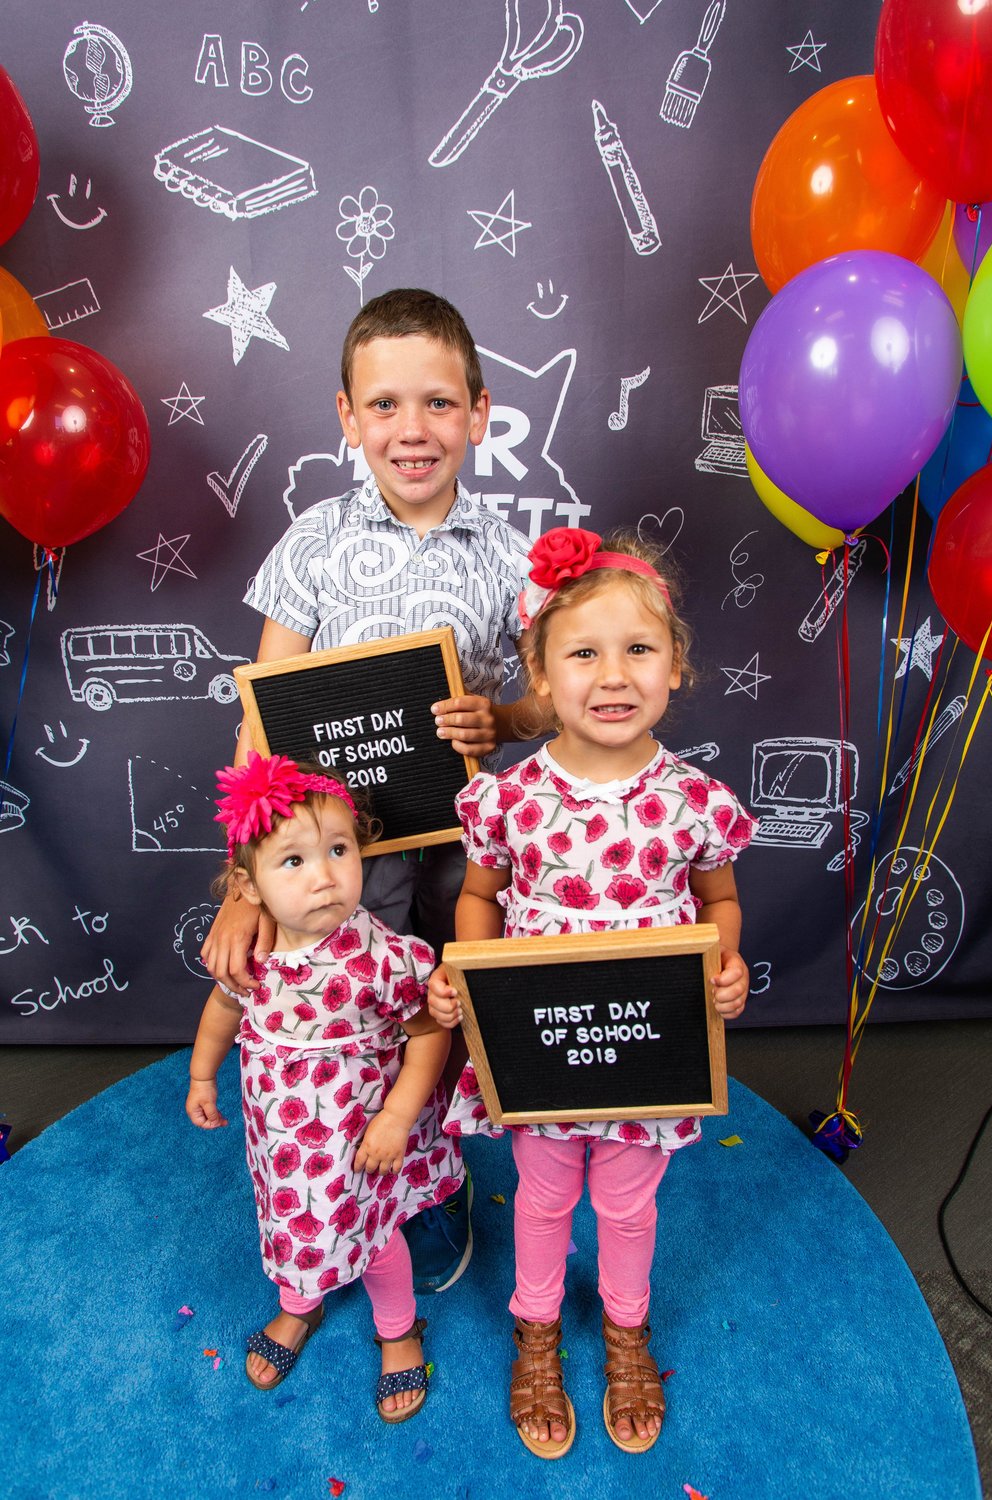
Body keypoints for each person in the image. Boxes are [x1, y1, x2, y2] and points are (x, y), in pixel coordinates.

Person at [200, 287, 534, 1291]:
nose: (411, 429)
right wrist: (244, 884)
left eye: (439, 403)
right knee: (354, 1011)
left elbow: (554, 696)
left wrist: (502, 721)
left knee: (441, 1000)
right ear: (348, 418)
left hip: (459, 843)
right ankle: (346, 1177)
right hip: (338, 857)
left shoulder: (508, 555)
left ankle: (430, 1176)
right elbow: (259, 723)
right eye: (384, 404)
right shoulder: (312, 542)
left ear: (478, 413)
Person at [428, 526, 757, 1459]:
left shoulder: (693, 800)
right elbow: (480, 898)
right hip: (540, 1053)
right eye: (583, 654)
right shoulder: (508, 799)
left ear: (675, 666)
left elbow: (719, 902)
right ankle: (535, 1333)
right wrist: (466, 978)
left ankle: (625, 1332)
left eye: (638, 650)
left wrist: (723, 966)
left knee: (627, 1204)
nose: (613, 676)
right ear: (539, 674)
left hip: (649, 1053)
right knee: (540, 1197)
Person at [186, 753, 461, 1421]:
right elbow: (223, 1007)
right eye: (294, 861)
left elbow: (428, 1032)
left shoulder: (381, 956)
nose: (326, 876)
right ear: (247, 886)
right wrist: (201, 1074)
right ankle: (298, 1304)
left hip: (360, 1130)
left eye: (340, 850)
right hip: (283, 1137)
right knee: (289, 1217)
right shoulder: (253, 954)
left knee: (375, 1235)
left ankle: (398, 1330)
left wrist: (397, 1117)